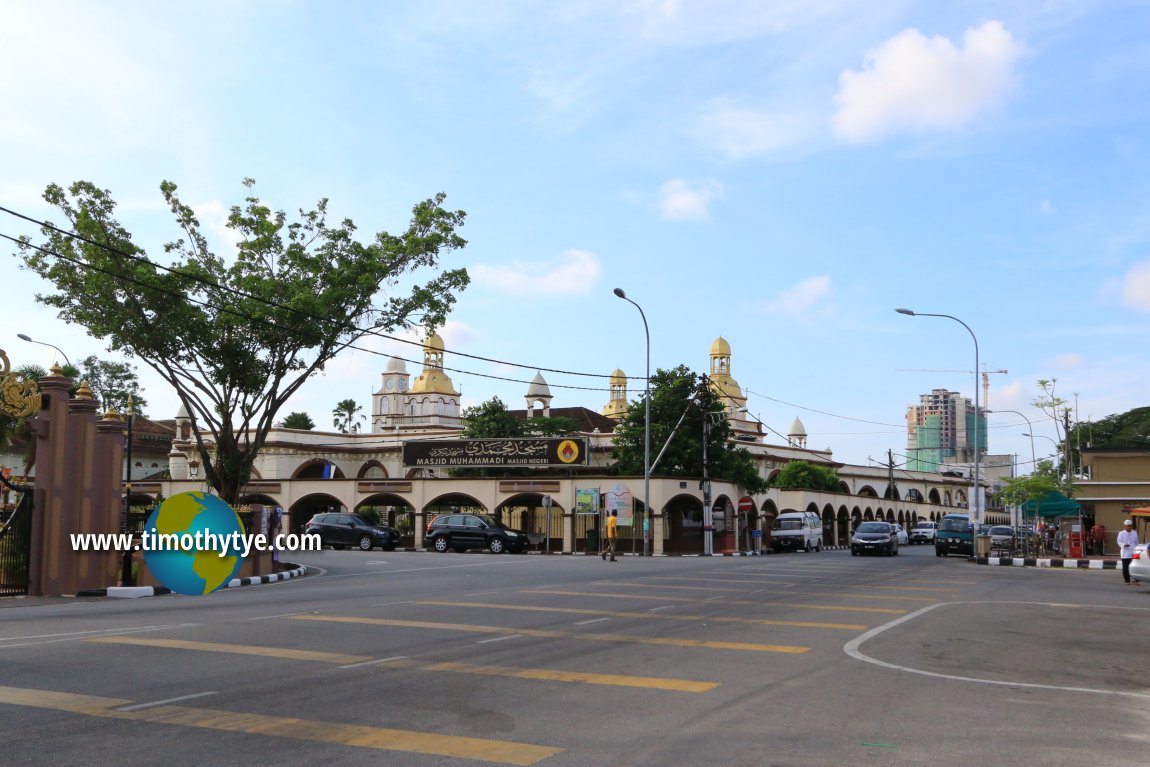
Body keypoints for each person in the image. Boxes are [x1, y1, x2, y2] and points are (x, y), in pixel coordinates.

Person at [1117, 519, 1140, 584]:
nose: (1129, 527)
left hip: (1133, 552)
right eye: (1128, 526)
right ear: (1125, 526)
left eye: (1130, 526)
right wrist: (1124, 545)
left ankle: (1134, 579)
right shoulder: (1121, 533)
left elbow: (1137, 543)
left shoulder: (1134, 533)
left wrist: (1137, 550)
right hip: (1125, 553)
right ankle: (1127, 580)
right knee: (1126, 567)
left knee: (1134, 566)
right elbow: (1119, 542)